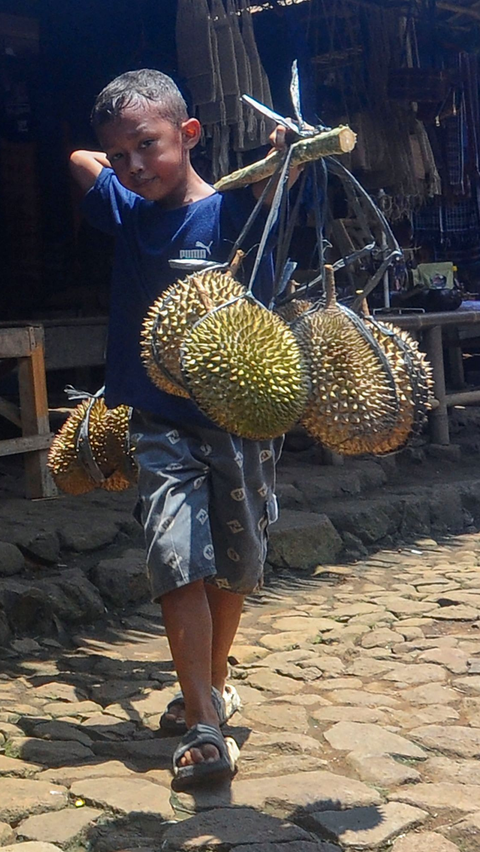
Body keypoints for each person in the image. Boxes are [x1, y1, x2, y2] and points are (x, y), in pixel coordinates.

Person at [69, 68, 292, 790]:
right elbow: (79, 160)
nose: (133, 166)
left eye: (149, 146)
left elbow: (291, 192)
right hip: (158, 420)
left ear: (189, 134)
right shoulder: (129, 210)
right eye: (123, 154)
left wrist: (281, 158)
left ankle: (214, 680)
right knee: (176, 559)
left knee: (238, 564)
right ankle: (203, 722)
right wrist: (124, 159)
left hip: (240, 421)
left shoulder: (235, 215)